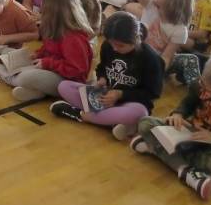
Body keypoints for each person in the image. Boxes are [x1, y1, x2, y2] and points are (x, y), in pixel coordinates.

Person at [51, 12, 164, 140]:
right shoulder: (108, 47)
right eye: (112, 43)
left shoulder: (151, 58)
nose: (115, 48)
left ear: (136, 39)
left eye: (120, 45)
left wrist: (121, 94)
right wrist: (102, 79)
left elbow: (152, 93)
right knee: (64, 86)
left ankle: (80, 114)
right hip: (105, 98)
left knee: (139, 113)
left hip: (131, 103)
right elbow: (102, 68)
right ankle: (113, 123)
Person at [130, 53, 211, 201]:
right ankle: (187, 171)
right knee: (146, 123)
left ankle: (156, 148)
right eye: (207, 88)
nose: (209, 94)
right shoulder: (200, 84)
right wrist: (178, 114)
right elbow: (187, 103)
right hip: (190, 133)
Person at [104, 0, 200, 85]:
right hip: (138, 53)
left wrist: (154, 75)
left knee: (191, 59)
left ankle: (196, 91)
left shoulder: (179, 29)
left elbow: (166, 57)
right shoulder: (151, 6)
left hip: (158, 61)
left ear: (173, 1)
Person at [0, 0, 94, 101]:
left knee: (27, 77)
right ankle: (38, 91)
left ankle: (8, 77)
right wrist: (38, 54)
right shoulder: (54, 26)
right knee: (6, 52)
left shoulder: (73, 37)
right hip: (49, 70)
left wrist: (47, 63)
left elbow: (76, 70)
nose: (40, 5)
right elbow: (48, 49)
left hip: (67, 81)